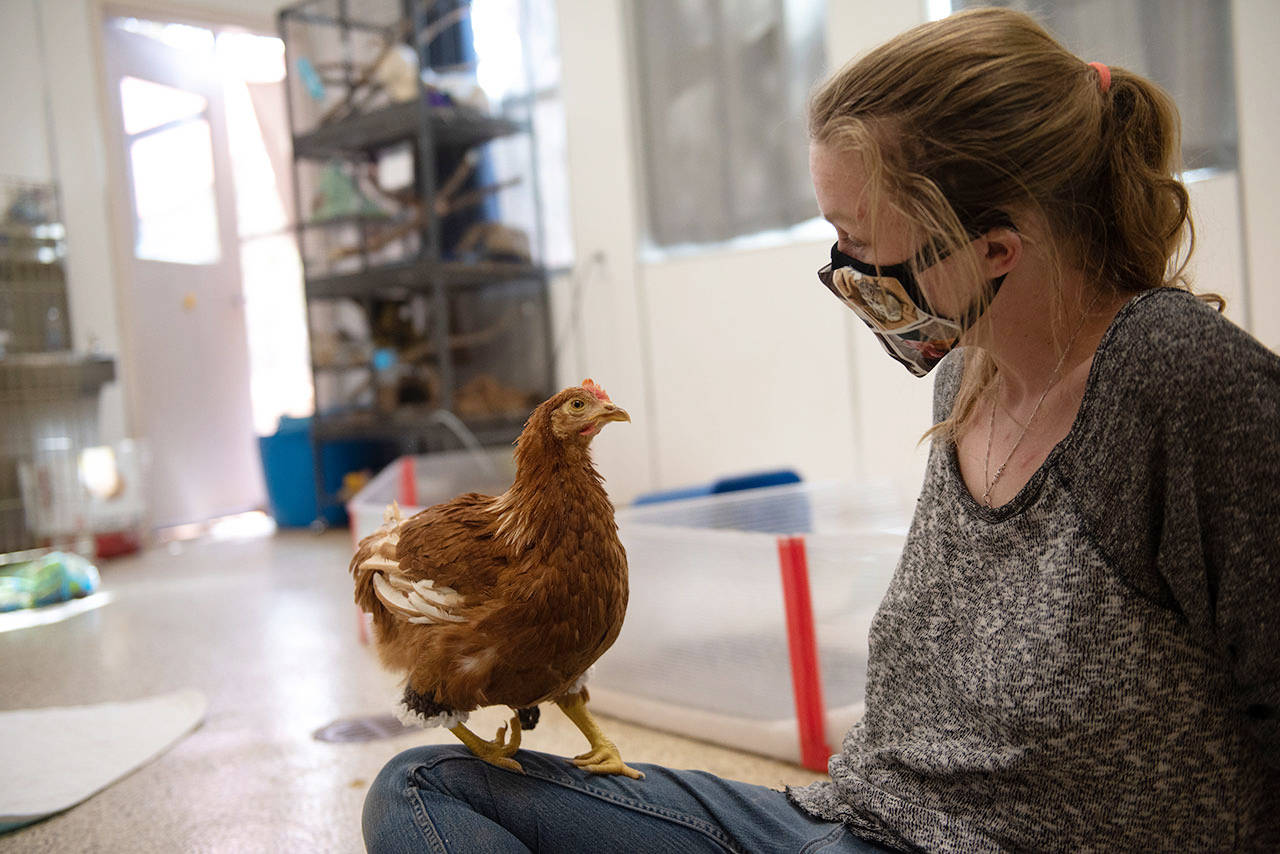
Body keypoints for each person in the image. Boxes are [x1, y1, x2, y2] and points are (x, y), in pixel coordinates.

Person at [363, 8, 1279, 852]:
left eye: (862, 242)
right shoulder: (967, 369)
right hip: (854, 822)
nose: (845, 273)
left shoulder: (1180, 383)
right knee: (428, 786)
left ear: (996, 249)